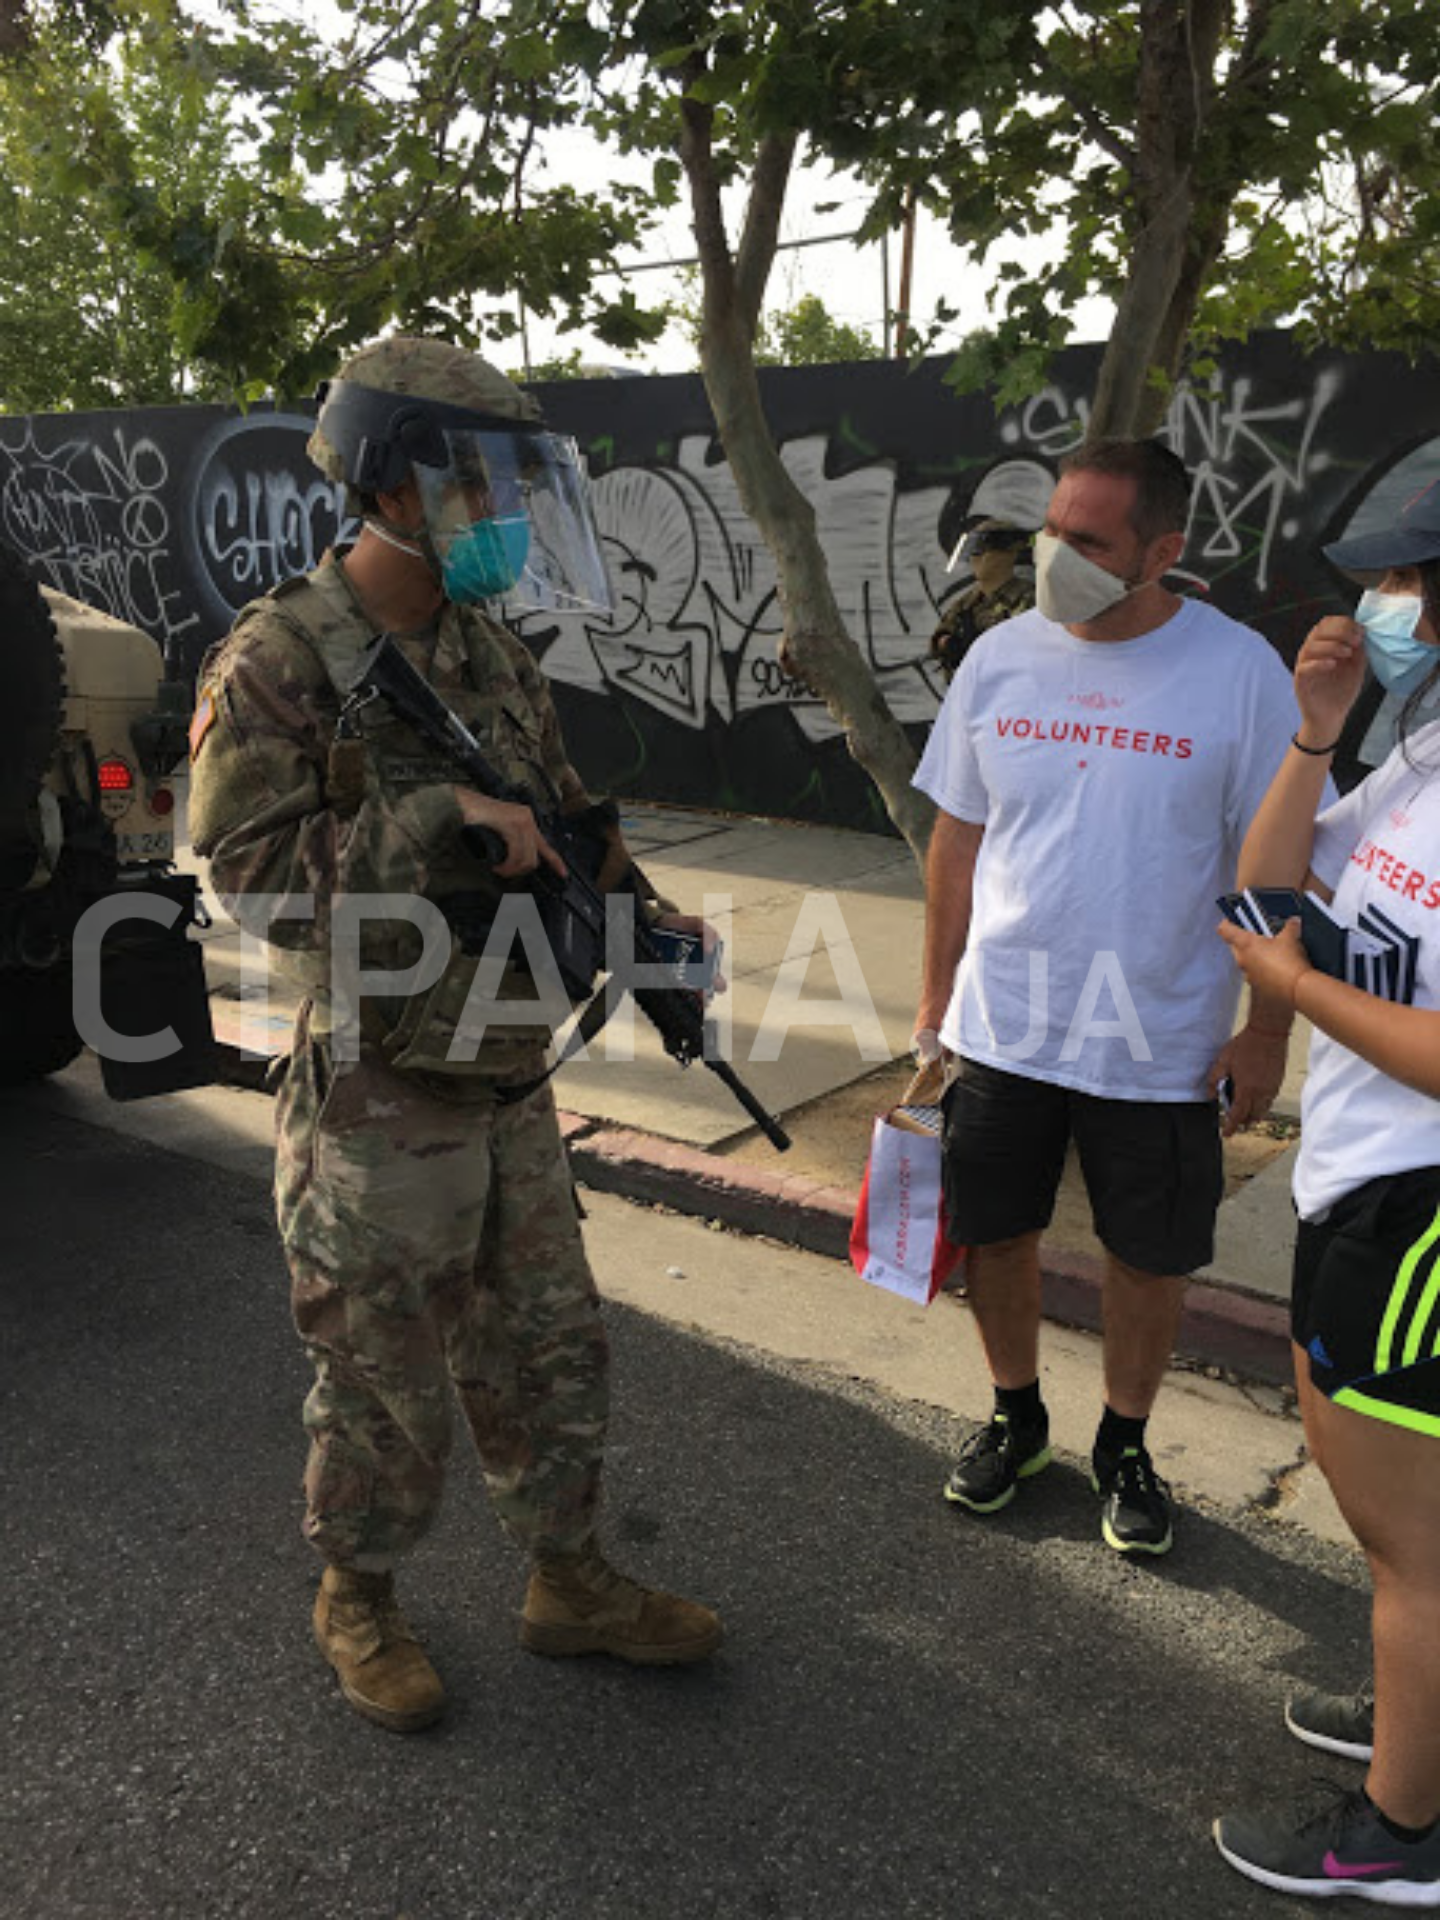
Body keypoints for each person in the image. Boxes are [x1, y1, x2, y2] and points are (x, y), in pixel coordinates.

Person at [187, 335, 722, 1734]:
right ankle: (357, 1598)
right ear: (391, 485)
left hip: (505, 1065)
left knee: (549, 1345)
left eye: (513, 484)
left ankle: (571, 1579)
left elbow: (561, 813)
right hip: (382, 1084)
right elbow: (247, 873)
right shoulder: (283, 656)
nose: (507, 512)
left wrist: (643, 919)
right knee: (382, 1375)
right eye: (481, 482)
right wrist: (438, 819)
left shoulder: (485, 646)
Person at [912, 437, 1310, 1556]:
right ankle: (1016, 1416)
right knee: (997, 1234)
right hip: (1004, 1024)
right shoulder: (1000, 658)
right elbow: (956, 839)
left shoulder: (1238, 672)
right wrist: (934, 1006)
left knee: (1148, 1257)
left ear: (1161, 551)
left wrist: (1265, 1030)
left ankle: (1125, 1443)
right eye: (1052, 528)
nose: (1054, 554)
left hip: (1159, 1040)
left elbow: (1274, 866)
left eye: (1086, 540)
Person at [1212, 480, 1440, 1904]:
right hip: (1358, 1176)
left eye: (1412, 578)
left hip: (1420, 1209)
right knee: (1396, 1525)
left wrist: (1293, 991)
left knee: (1413, 1542)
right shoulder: (1420, 753)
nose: (1388, 605)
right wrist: (1315, 733)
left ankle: (1400, 1835)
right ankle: (1419, 1725)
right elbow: (1266, 885)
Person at [929, 516, 1035, 682]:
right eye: (973, 552)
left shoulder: (1030, 599)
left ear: (1007, 555)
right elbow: (938, 639)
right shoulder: (968, 601)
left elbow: (1033, 654)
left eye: (981, 552)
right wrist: (948, 644)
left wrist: (983, 649)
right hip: (967, 692)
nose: (974, 559)